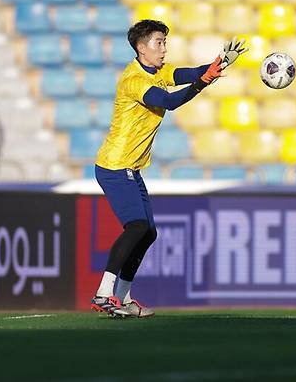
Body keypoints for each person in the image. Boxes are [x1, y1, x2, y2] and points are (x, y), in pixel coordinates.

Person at [91, 19, 247, 318]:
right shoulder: (134, 81)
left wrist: (218, 63)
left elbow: (188, 73)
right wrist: (203, 82)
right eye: (158, 43)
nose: (164, 48)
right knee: (137, 227)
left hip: (130, 167)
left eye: (164, 42)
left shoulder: (158, 70)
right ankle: (103, 293)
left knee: (148, 233)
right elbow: (169, 101)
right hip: (114, 165)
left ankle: (121, 298)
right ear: (141, 47)